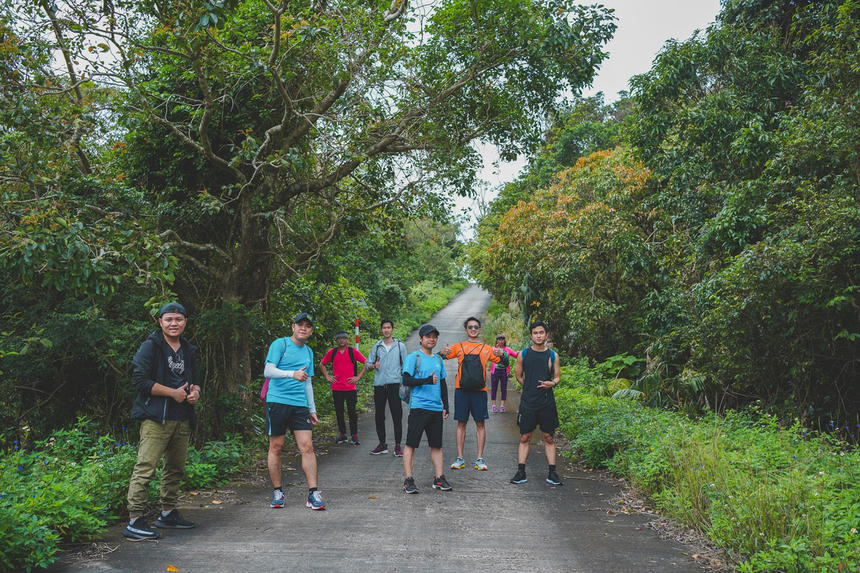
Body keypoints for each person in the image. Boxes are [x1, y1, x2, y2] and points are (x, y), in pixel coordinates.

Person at [124, 302, 201, 540]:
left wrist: (196, 392)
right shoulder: (151, 346)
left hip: (182, 418)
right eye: (169, 319)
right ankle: (135, 519)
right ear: (160, 322)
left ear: (185, 322)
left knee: (175, 469)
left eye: (178, 319)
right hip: (156, 418)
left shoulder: (188, 349)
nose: (173, 323)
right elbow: (139, 381)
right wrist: (172, 393)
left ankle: (167, 513)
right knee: (145, 469)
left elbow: (196, 380)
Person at [263, 312, 325, 510]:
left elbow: (308, 382)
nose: (303, 328)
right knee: (276, 447)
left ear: (311, 331)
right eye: (300, 324)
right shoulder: (280, 344)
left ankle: (313, 493)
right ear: (293, 327)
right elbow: (268, 371)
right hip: (277, 402)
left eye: (307, 326)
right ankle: (277, 492)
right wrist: (292, 374)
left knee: (307, 446)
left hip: (299, 405)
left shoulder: (308, 352)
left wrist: (312, 408)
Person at [439, 317, 505, 472]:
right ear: (466, 330)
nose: (473, 329)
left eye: (476, 327)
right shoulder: (459, 346)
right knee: (461, 423)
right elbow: (439, 357)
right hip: (461, 390)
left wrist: (502, 355)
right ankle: (460, 457)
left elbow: (503, 363)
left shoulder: (487, 349)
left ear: (479, 329)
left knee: (480, 424)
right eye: (470, 327)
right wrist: (441, 352)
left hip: (479, 391)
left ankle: (480, 458)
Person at [510, 320, 563, 486]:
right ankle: (521, 472)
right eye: (535, 333)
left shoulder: (553, 355)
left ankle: (552, 473)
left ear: (546, 335)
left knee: (548, 437)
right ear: (531, 335)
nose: (538, 336)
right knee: (525, 436)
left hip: (547, 402)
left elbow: (557, 377)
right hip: (528, 403)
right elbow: (518, 376)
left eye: (541, 333)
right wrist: (529, 387)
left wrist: (551, 383)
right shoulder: (524, 354)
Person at [401, 324, 452, 494]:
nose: (431, 339)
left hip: (435, 409)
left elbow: (442, 383)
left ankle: (439, 478)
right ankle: (408, 480)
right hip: (418, 407)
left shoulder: (438, 359)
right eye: (428, 336)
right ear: (420, 338)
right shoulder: (413, 357)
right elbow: (406, 380)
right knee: (411, 444)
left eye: (434, 337)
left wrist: (446, 405)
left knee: (436, 445)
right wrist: (426, 381)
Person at [362, 319, 408, 457]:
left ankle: (398, 445)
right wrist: (373, 366)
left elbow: (405, 366)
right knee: (379, 416)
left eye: (388, 327)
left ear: (392, 329)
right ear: (381, 330)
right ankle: (382, 444)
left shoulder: (400, 346)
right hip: (379, 385)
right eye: (384, 328)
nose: (386, 330)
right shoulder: (377, 347)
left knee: (397, 415)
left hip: (394, 385)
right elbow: (367, 366)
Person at [320, 330, 367, 445]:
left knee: (352, 412)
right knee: (339, 412)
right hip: (337, 388)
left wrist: (357, 377)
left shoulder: (352, 351)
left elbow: (366, 362)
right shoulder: (332, 352)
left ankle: (354, 435)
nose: (342, 340)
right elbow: (322, 364)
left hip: (350, 388)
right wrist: (328, 377)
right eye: (339, 338)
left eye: (344, 338)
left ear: (347, 340)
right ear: (337, 340)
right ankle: (342, 434)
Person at [490, 334, 518, 413]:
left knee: (504, 388)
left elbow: (516, 355)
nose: (501, 341)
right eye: (499, 339)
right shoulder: (493, 349)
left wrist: (519, 353)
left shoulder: (507, 350)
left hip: (504, 371)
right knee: (494, 388)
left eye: (502, 339)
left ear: (504, 340)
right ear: (496, 340)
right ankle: (494, 405)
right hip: (495, 371)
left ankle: (502, 406)